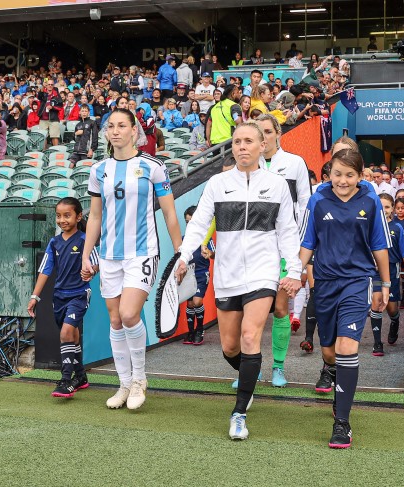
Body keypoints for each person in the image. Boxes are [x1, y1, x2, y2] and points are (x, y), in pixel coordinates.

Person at [174, 122, 302, 441]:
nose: (241, 146)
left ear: (262, 146)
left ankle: (239, 413)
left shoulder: (276, 185)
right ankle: (249, 378)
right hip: (227, 275)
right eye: (236, 141)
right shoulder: (217, 184)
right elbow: (199, 224)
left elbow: (288, 232)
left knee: (249, 337)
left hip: (263, 272)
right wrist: (183, 256)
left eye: (248, 141)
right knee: (230, 347)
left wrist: (293, 272)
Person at [82, 108, 183, 411]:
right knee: (115, 320)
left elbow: (169, 213)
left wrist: (181, 253)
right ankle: (124, 383)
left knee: (128, 314)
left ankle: (140, 379)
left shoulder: (152, 166)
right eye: (110, 126)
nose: (115, 130)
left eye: (121, 125)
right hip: (110, 256)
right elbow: (95, 216)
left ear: (134, 131)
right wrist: (87, 254)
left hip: (142, 252)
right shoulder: (99, 169)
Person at [298, 148, 392, 449]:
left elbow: (379, 246)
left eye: (349, 175)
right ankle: (333, 371)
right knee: (329, 354)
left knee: (347, 347)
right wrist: (293, 272)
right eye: (338, 173)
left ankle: (342, 422)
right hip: (324, 283)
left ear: (360, 175)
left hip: (357, 281)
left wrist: (384, 283)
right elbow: (307, 242)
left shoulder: (371, 200)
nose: (342, 180)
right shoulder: (317, 199)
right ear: (330, 173)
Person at [254, 113, 311, 387]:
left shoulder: (294, 163)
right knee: (250, 310)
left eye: (267, 131)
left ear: (278, 132)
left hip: (284, 248)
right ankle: (250, 367)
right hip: (254, 249)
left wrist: (298, 248)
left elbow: (304, 205)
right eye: (258, 132)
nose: (263, 137)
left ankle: (278, 366)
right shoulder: (247, 164)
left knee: (279, 309)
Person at [28, 197, 100, 398]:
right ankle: (81, 376)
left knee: (66, 333)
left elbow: (97, 263)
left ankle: (66, 381)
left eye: (67, 215)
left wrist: (91, 271)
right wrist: (35, 296)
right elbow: (45, 271)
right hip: (58, 297)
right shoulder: (54, 242)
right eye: (58, 216)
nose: (62, 220)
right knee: (73, 336)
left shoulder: (85, 240)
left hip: (79, 294)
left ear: (78, 217)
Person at [373, 193, 404, 354]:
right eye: (380, 206)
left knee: (391, 308)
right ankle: (377, 343)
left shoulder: (397, 227)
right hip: (374, 271)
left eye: (387, 206)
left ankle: (395, 322)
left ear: (393, 209)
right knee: (376, 301)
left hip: (392, 270)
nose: (383, 209)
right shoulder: (370, 226)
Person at [181, 205, 216, 345]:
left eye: (191, 222)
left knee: (197, 301)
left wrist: (209, 253)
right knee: (189, 304)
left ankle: (200, 329)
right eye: (187, 222)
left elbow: (214, 254)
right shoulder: (184, 239)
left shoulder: (206, 239)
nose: (189, 225)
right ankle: (191, 331)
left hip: (201, 273)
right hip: (188, 275)